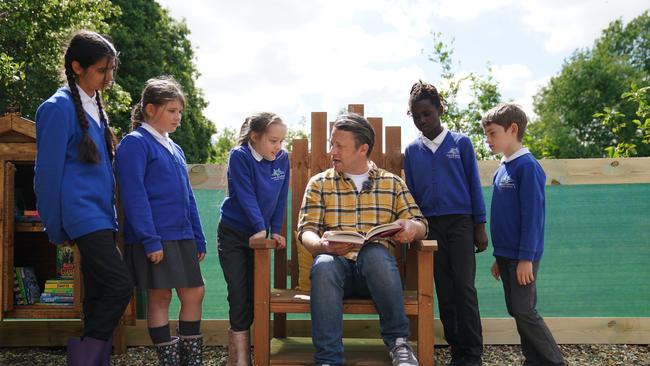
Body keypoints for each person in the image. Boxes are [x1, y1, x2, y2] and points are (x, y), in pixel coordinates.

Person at [34, 30, 133, 366]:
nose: (108, 78)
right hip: (81, 215)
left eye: (110, 70)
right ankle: (83, 358)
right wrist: (53, 223)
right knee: (121, 286)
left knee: (98, 295)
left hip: (102, 216)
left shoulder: (95, 107)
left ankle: (92, 360)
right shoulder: (57, 108)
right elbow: (46, 174)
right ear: (77, 67)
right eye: (102, 70)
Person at [298, 113, 428, 366]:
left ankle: (399, 344)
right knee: (324, 263)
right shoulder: (319, 184)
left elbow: (421, 223)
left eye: (339, 145)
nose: (331, 151)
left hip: (379, 278)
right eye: (331, 143)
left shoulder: (392, 183)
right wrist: (321, 245)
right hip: (335, 276)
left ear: (363, 149)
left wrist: (411, 228)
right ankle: (328, 359)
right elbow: (307, 229)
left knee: (376, 253)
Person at [114, 76, 207, 365]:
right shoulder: (135, 143)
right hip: (154, 236)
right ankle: (168, 360)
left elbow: (188, 196)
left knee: (195, 291)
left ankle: (191, 361)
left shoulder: (175, 148)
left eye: (180, 111)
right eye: (171, 110)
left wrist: (198, 236)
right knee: (160, 297)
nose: (178, 117)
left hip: (182, 236)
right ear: (150, 109)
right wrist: (150, 239)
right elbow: (134, 196)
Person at [403, 81, 487, 366]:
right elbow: (412, 193)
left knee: (464, 287)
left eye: (427, 113)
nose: (422, 120)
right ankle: (456, 350)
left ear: (439, 109)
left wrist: (479, 224)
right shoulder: (412, 151)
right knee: (444, 289)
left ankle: (472, 352)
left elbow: (474, 186)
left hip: (461, 224)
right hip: (430, 228)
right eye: (416, 116)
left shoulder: (461, 143)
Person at [481, 103, 565, 365]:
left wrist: (526, 258)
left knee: (524, 310)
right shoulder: (503, 167)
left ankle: (554, 361)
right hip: (507, 255)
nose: (487, 140)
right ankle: (534, 360)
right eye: (486, 135)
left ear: (512, 129)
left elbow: (533, 216)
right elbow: (506, 217)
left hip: (522, 257)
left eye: (492, 133)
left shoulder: (527, 166)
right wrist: (499, 256)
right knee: (516, 309)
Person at [218, 112, 289, 365]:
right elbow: (245, 194)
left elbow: (281, 197)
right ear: (254, 137)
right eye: (273, 140)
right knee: (238, 291)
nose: (278, 146)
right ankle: (240, 358)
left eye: (282, 141)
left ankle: (245, 351)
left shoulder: (282, 160)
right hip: (234, 234)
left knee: (254, 293)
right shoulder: (240, 156)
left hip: (258, 237)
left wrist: (276, 230)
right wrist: (260, 227)